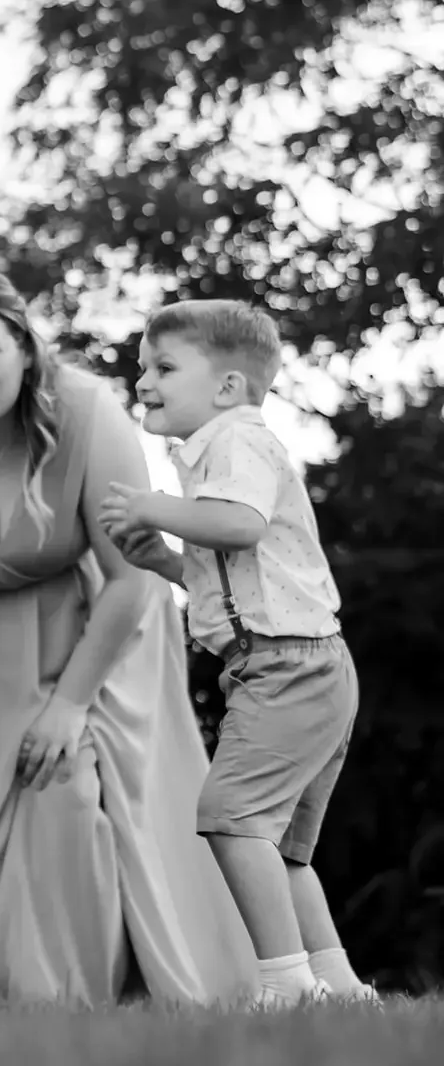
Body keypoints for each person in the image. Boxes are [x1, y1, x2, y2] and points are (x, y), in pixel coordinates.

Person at [0, 267, 257, 1006]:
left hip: (90, 633)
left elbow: (131, 576)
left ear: (25, 350)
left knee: (66, 799)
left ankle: (75, 998)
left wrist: (70, 703)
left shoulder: (88, 413)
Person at [99, 299, 376, 1006]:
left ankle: (285, 986)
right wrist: (165, 560)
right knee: (281, 848)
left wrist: (154, 507)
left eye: (163, 367)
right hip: (297, 663)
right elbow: (233, 574)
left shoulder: (236, 440)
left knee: (231, 816)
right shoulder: (215, 450)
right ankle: (340, 990)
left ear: (226, 387)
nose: (145, 383)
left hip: (289, 664)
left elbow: (241, 526)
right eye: (143, 369)